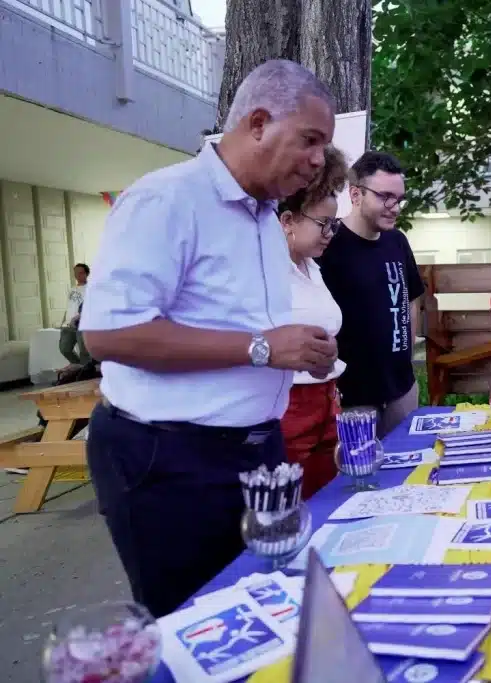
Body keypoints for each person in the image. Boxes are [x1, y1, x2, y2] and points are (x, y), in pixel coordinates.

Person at [80, 59, 339, 618]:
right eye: (310, 139)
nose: (319, 160)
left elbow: (246, 326)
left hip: (255, 452)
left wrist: (303, 351)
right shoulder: (167, 199)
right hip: (170, 459)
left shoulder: (266, 218)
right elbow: (107, 332)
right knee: (193, 624)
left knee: (265, 610)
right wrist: (263, 348)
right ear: (258, 123)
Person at [318, 151, 425, 436]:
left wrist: (406, 352)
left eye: (400, 199)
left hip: (402, 391)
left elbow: (412, 297)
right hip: (352, 398)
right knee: (359, 479)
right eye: (385, 197)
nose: (395, 207)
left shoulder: (397, 242)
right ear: (356, 194)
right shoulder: (328, 244)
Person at [277, 145, 349, 499]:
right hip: (288, 405)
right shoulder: (268, 272)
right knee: (293, 505)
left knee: (329, 499)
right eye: (323, 224)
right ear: (287, 221)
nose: (330, 234)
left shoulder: (312, 268)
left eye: (334, 225)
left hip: (327, 401)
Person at [58, 263, 90, 365]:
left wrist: (77, 317)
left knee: (84, 352)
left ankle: (87, 373)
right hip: (68, 325)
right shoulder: (72, 289)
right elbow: (69, 306)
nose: (78, 275)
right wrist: (63, 321)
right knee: (65, 349)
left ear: (86, 274)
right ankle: (80, 367)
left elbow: (90, 307)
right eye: (76, 273)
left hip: (82, 324)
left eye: (80, 273)